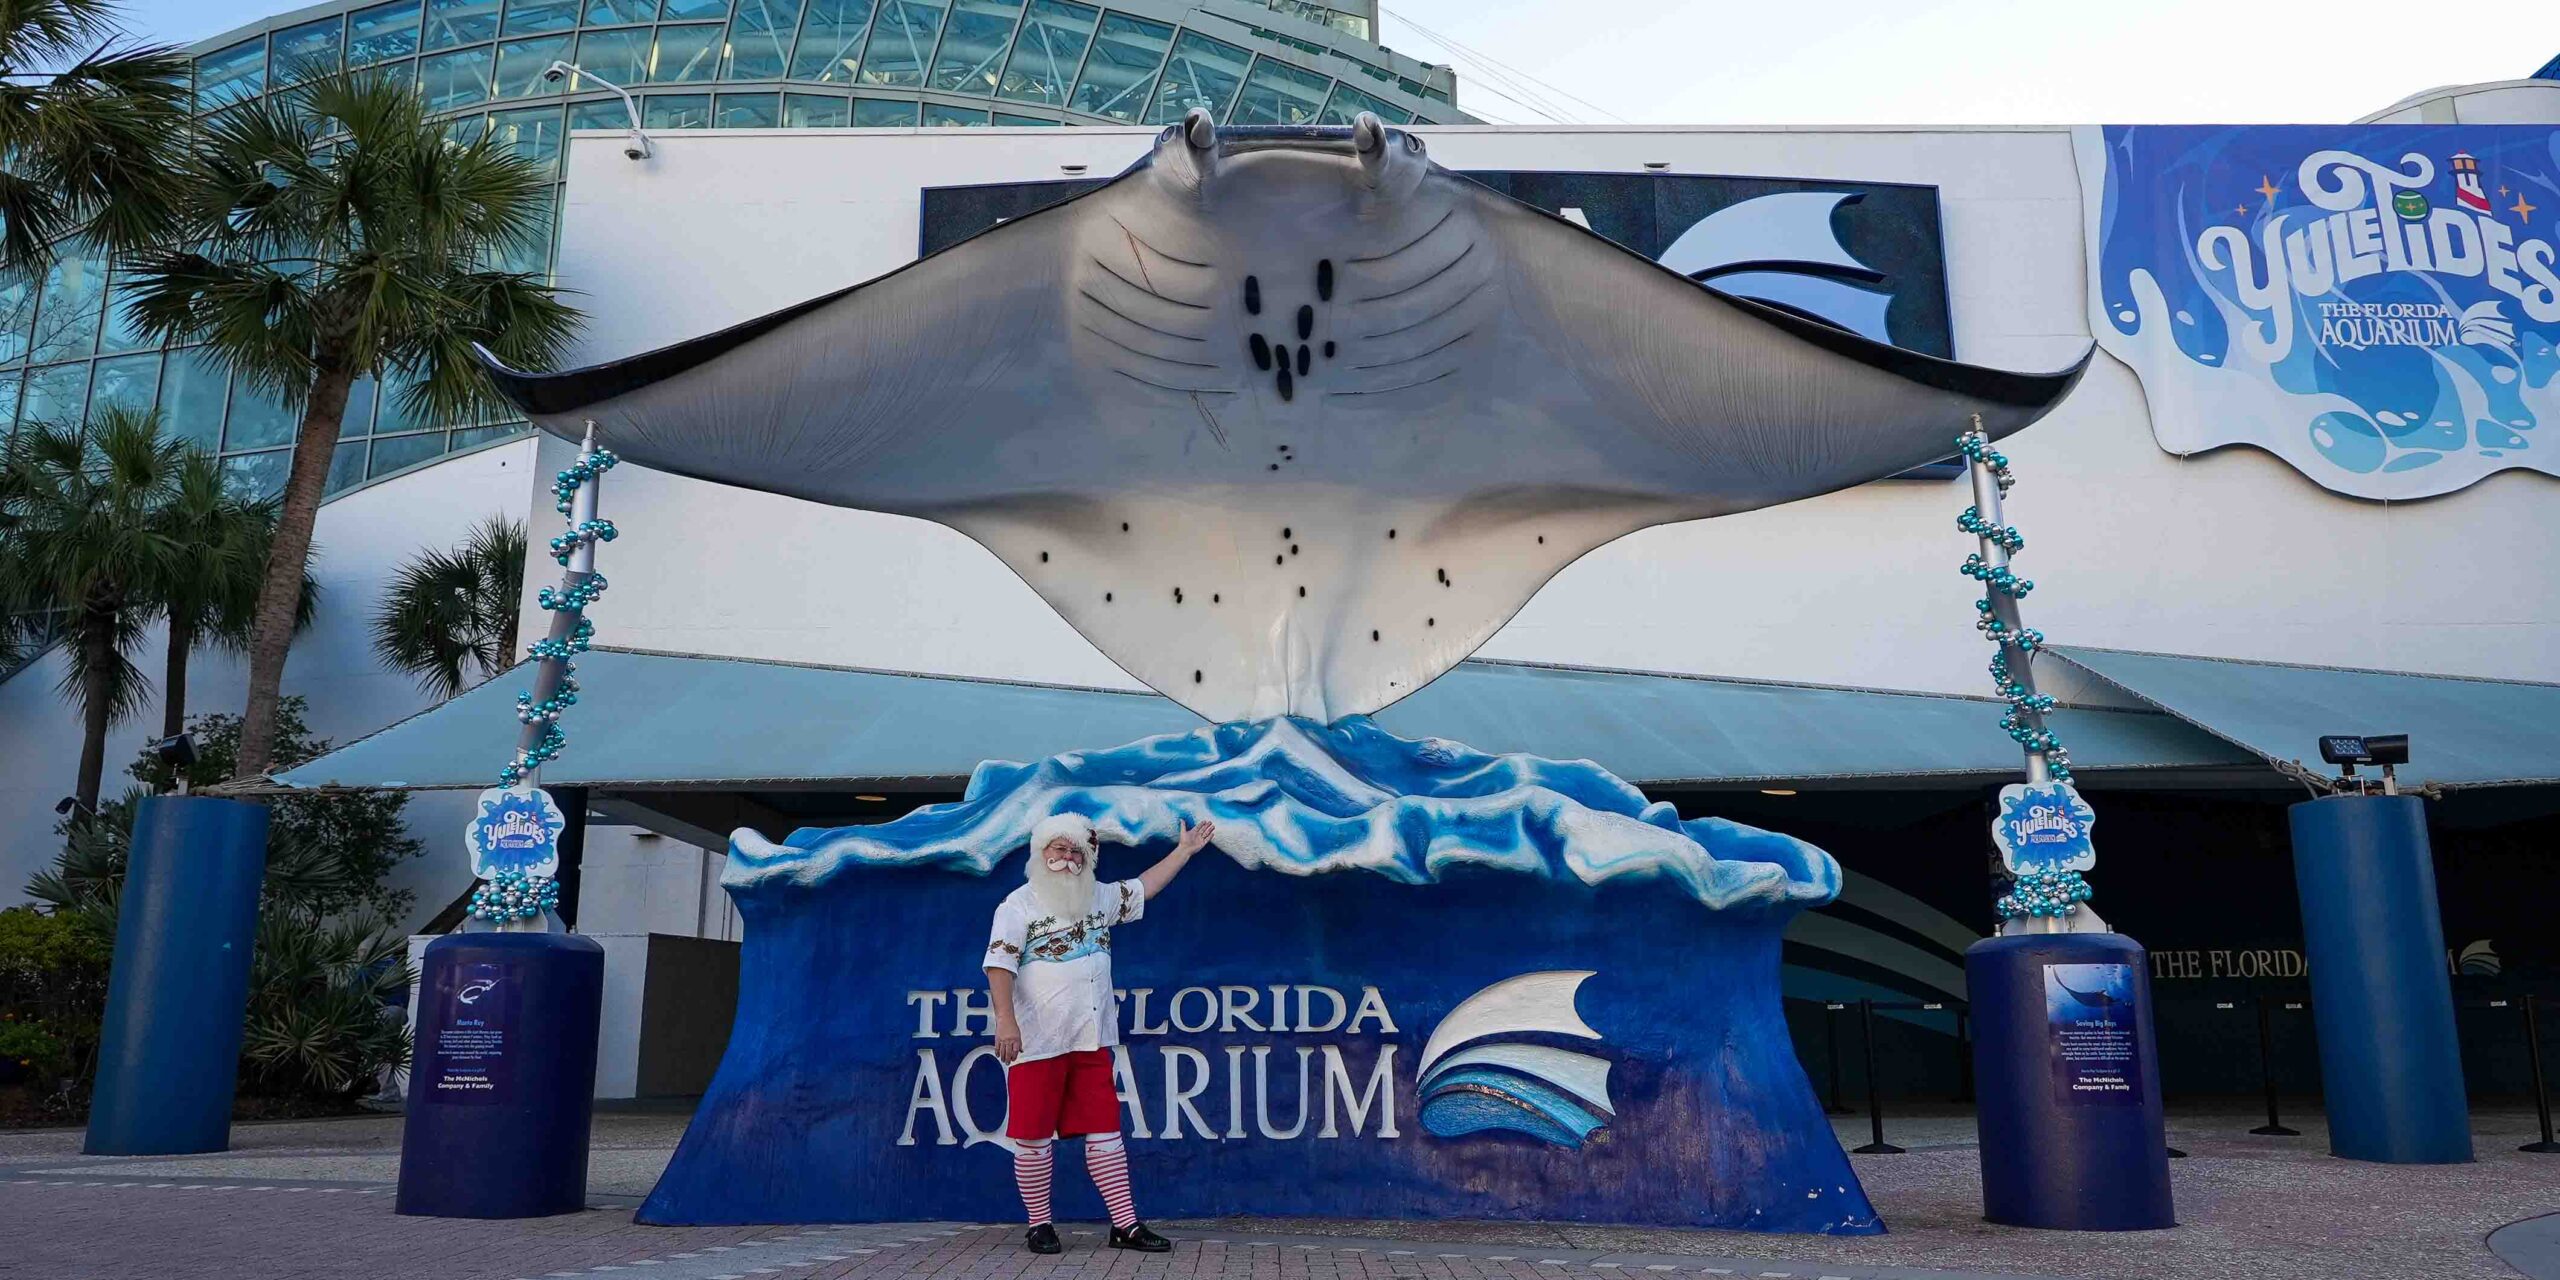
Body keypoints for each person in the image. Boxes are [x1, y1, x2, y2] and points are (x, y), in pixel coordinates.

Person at [985, 811, 1216, 1255]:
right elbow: (1000, 963)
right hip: (1038, 1042)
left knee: (1106, 1132)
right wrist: (1005, 1020)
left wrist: (1184, 851)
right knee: (1032, 1136)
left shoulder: (1099, 898)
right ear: (1041, 852)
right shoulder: (1018, 905)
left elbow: (1144, 886)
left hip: (1091, 1039)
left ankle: (1125, 1226)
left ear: (1088, 858)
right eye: (1059, 848)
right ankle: (1039, 1225)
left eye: (1077, 851)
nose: (1067, 858)